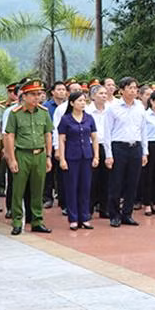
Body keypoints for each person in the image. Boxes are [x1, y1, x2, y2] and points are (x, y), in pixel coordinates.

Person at [4, 79, 54, 235]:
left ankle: (37, 220)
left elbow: (48, 134)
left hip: (39, 154)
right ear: (23, 96)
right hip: (22, 154)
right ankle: (17, 221)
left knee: (37, 190)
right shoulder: (15, 114)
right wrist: (11, 159)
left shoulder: (44, 112)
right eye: (32, 94)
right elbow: (9, 136)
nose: (36, 97)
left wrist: (48, 156)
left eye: (38, 94)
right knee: (18, 190)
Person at [102, 77, 148, 228]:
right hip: (118, 147)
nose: (133, 91)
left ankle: (127, 214)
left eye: (135, 88)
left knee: (132, 182)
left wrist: (144, 152)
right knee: (116, 182)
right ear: (121, 90)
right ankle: (114, 215)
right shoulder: (113, 108)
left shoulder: (140, 107)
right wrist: (108, 154)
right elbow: (107, 132)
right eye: (130, 88)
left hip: (135, 147)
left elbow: (143, 130)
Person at [58, 90, 98, 230]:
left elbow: (94, 138)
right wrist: (62, 158)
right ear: (72, 103)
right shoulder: (66, 119)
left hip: (86, 156)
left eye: (84, 101)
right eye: (79, 101)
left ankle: (85, 217)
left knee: (85, 187)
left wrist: (96, 156)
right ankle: (73, 218)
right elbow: (62, 140)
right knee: (71, 187)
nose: (82, 103)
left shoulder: (89, 118)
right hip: (71, 156)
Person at [86, 83, 110, 218]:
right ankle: (88, 208)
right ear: (93, 96)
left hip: (106, 146)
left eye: (105, 93)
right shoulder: (87, 111)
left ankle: (104, 208)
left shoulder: (110, 110)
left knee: (106, 178)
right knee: (92, 179)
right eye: (101, 93)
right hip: (91, 146)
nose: (104, 96)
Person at [45, 81, 69, 210]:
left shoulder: (69, 106)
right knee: (49, 171)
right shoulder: (46, 106)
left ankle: (62, 197)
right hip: (50, 140)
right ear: (53, 92)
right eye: (58, 89)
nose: (61, 92)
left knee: (62, 173)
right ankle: (47, 197)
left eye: (63, 89)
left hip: (65, 143)